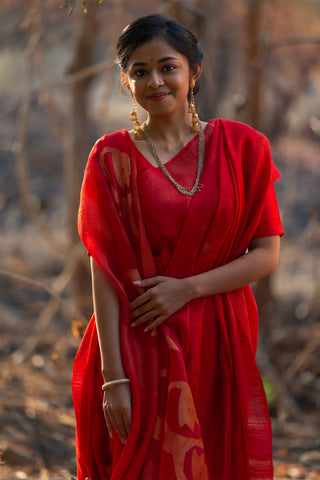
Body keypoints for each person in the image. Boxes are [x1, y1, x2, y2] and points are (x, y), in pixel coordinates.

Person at [72, 13, 283, 480]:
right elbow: (102, 271)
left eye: (168, 66)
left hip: (218, 338)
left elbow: (267, 254)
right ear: (126, 81)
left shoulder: (243, 147)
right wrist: (113, 378)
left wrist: (187, 289)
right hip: (136, 341)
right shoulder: (111, 157)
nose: (155, 81)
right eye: (140, 71)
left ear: (194, 70)